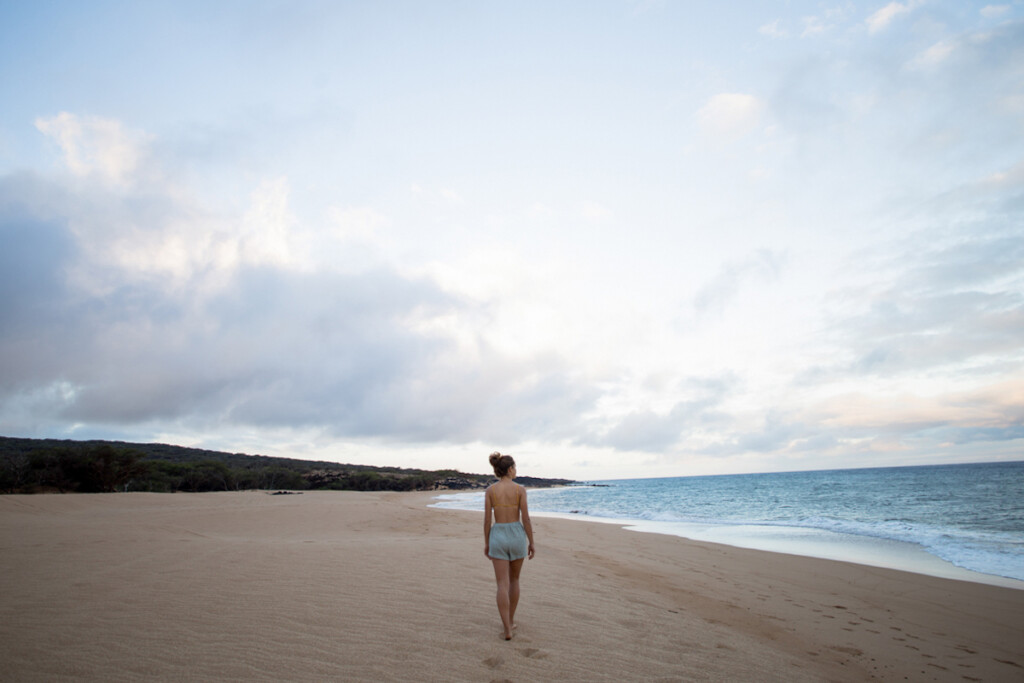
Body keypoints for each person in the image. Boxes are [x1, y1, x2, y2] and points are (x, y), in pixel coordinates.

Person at [483, 451, 535, 640]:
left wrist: (487, 543)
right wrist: (532, 542)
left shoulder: (491, 491)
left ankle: (506, 628)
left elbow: (487, 520)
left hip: (498, 534)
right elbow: (526, 519)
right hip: (516, 535)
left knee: (501, 585)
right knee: (514, 581)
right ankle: (511, 619)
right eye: (515, 467)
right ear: (510, 469)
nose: (516, 471)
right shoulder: (519, 490)